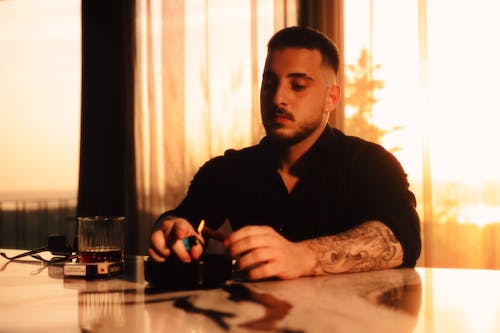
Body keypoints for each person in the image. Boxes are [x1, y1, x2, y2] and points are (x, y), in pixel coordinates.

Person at [149, 26, 421, 280]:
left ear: (331, 98)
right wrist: (172, 229)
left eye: (298, 85)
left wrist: (302, 256)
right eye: (269, 84)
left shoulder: (369, 163)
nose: (278, 98)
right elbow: (185, 220)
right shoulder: (228, 170)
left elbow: (403, 237)